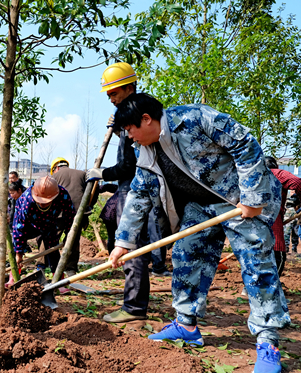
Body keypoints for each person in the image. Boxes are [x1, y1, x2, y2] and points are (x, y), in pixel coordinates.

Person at [108, 93, 288, 373]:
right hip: (200, 206)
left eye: (131, 130)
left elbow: (245, 144)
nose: (130, 137)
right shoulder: (145, 151)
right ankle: (186, 325)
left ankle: (268, 343)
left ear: (146, 119)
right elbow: (139, 195)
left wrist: (253, 198)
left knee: (257, 265)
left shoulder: (195, 118)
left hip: (237, 201)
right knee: (185, 255)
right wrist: (123, 243)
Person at [86, 62, 171, 324]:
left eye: (114, 93)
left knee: (130, 245)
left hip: (135, 188)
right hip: (138, 186)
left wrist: (102, 174)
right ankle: (135, 303)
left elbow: (128, 166)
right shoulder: (128, 117)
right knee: (136, 244)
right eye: (109, 94)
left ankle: (133, 308)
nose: (111, 99)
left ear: (130, 88)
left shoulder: (136, 120)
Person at [12, 176, 75, 273]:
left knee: (53, 250)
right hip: (29, 225)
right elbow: (19, 227)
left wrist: (69, 235)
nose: (42, 204)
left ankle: (58, 280)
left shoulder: (62, 195)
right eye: (40, 201)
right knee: (15, 250)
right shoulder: (27, 200)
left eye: (46, 202)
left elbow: (70, 216)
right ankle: (14, 277)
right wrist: (18, 253)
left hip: (50, 224)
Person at [50, 157, 88, 277]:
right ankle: (71, 269)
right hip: (79, 212)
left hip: (60, 213)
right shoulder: (82, 174)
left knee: (51, 238)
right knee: (73, 240)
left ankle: (48, 265)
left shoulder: (54, 177)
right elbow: (93, 190)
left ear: (56, 168)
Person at [264, 156, 301, 276]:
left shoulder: (253, 175)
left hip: (250, 225)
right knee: (277, 255)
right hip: (272, 223)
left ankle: (251, 289)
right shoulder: (276, 173)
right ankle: (268, 291)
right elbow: (298, 182)